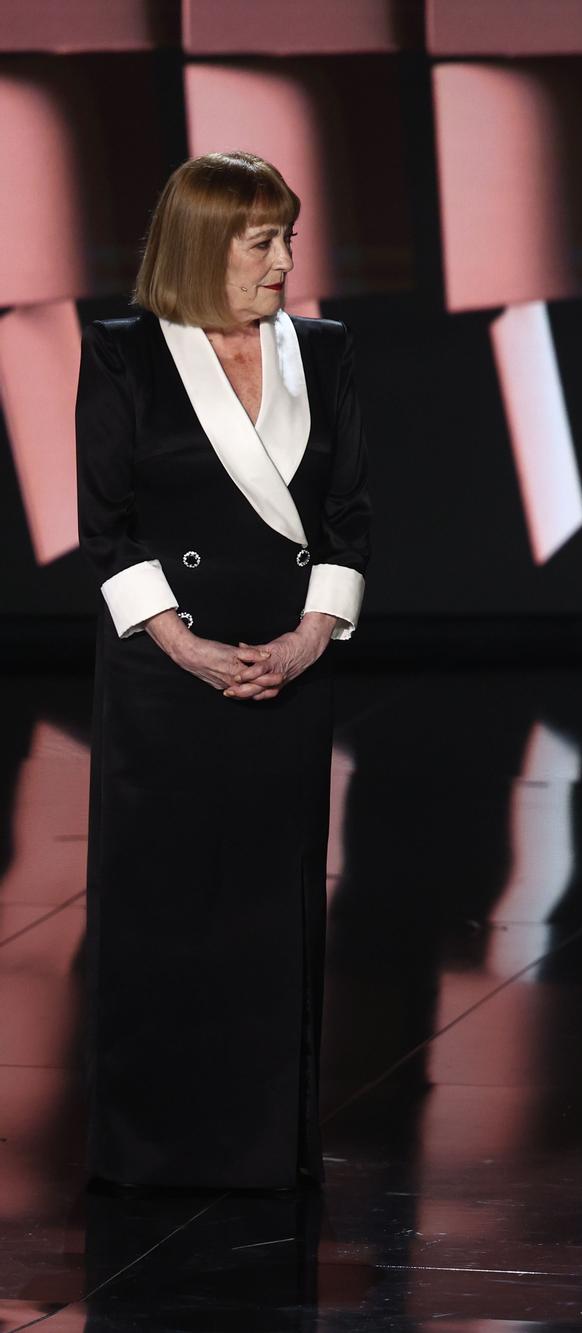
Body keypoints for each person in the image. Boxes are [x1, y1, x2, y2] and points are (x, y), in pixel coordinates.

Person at [76, 151, 371, 1190]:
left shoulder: (323, 351)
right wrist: (181, 641)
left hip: (285, 672)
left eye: (288, 236)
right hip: (167, 676)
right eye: (264, 241)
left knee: (268, 915)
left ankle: (259, 1152)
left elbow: (348, 518)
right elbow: (107, 528)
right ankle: (146, 1153)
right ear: (206, 245)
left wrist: (306, 636)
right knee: (158, 911)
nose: (288, 260)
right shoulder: (124, 354)